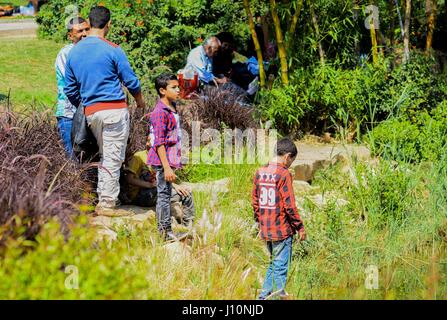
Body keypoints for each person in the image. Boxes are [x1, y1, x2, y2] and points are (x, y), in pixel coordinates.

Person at [64, 6, 146, 216]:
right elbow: (130, 80)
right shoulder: (112, 49)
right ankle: (108, 205)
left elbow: (70, 89)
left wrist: (84, 106)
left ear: (89, 24)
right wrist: (140, 101)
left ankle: (101, 198)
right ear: (108, 24)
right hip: (114, 111)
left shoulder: (74, 52)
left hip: (91, 112)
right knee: (112, 157)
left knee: (102, 155)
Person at [252, 138, 306, 300]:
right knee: (281, 268)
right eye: (292, 161)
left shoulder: (260, 172)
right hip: (281, 231)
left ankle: (263, 298)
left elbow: (255, 201)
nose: (290, 164)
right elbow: (289, 205)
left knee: (273, 264)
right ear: (287, 156)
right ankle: (275, 297)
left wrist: (260, 221)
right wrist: (300, 227)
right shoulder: (283, 174)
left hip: (266, 229)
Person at [147, 73, 191, 241]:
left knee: (166, 194)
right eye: (174, 87)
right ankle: (164, 233)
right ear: (162, 90)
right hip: (161, 161)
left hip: (169, 160)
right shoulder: (160, 112)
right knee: (164, 197)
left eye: (178, 86)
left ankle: (168, 230)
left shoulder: (172, 107)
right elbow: (159, 142)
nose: (178, 90)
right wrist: (166, 167)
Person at [122, 148, 195, 227]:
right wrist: (149, 185)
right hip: (140, 195)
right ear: (148, 142)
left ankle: (188, 226)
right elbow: (129, 179)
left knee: (186, 193)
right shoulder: (138, 156)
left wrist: (176, 186)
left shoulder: (161, 157)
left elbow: (163, 178)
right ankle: (165, 226)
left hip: (156, 191)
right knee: (163, 194)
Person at [55, 16, 90, 157]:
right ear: (70, 36)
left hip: (87, 113)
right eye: (80, 31)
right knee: (73, 160)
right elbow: (74, 84)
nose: (85, 34)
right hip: (69, 115)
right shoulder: (66, 54)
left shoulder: (91, 51)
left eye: (87, 29)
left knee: (87, 159)